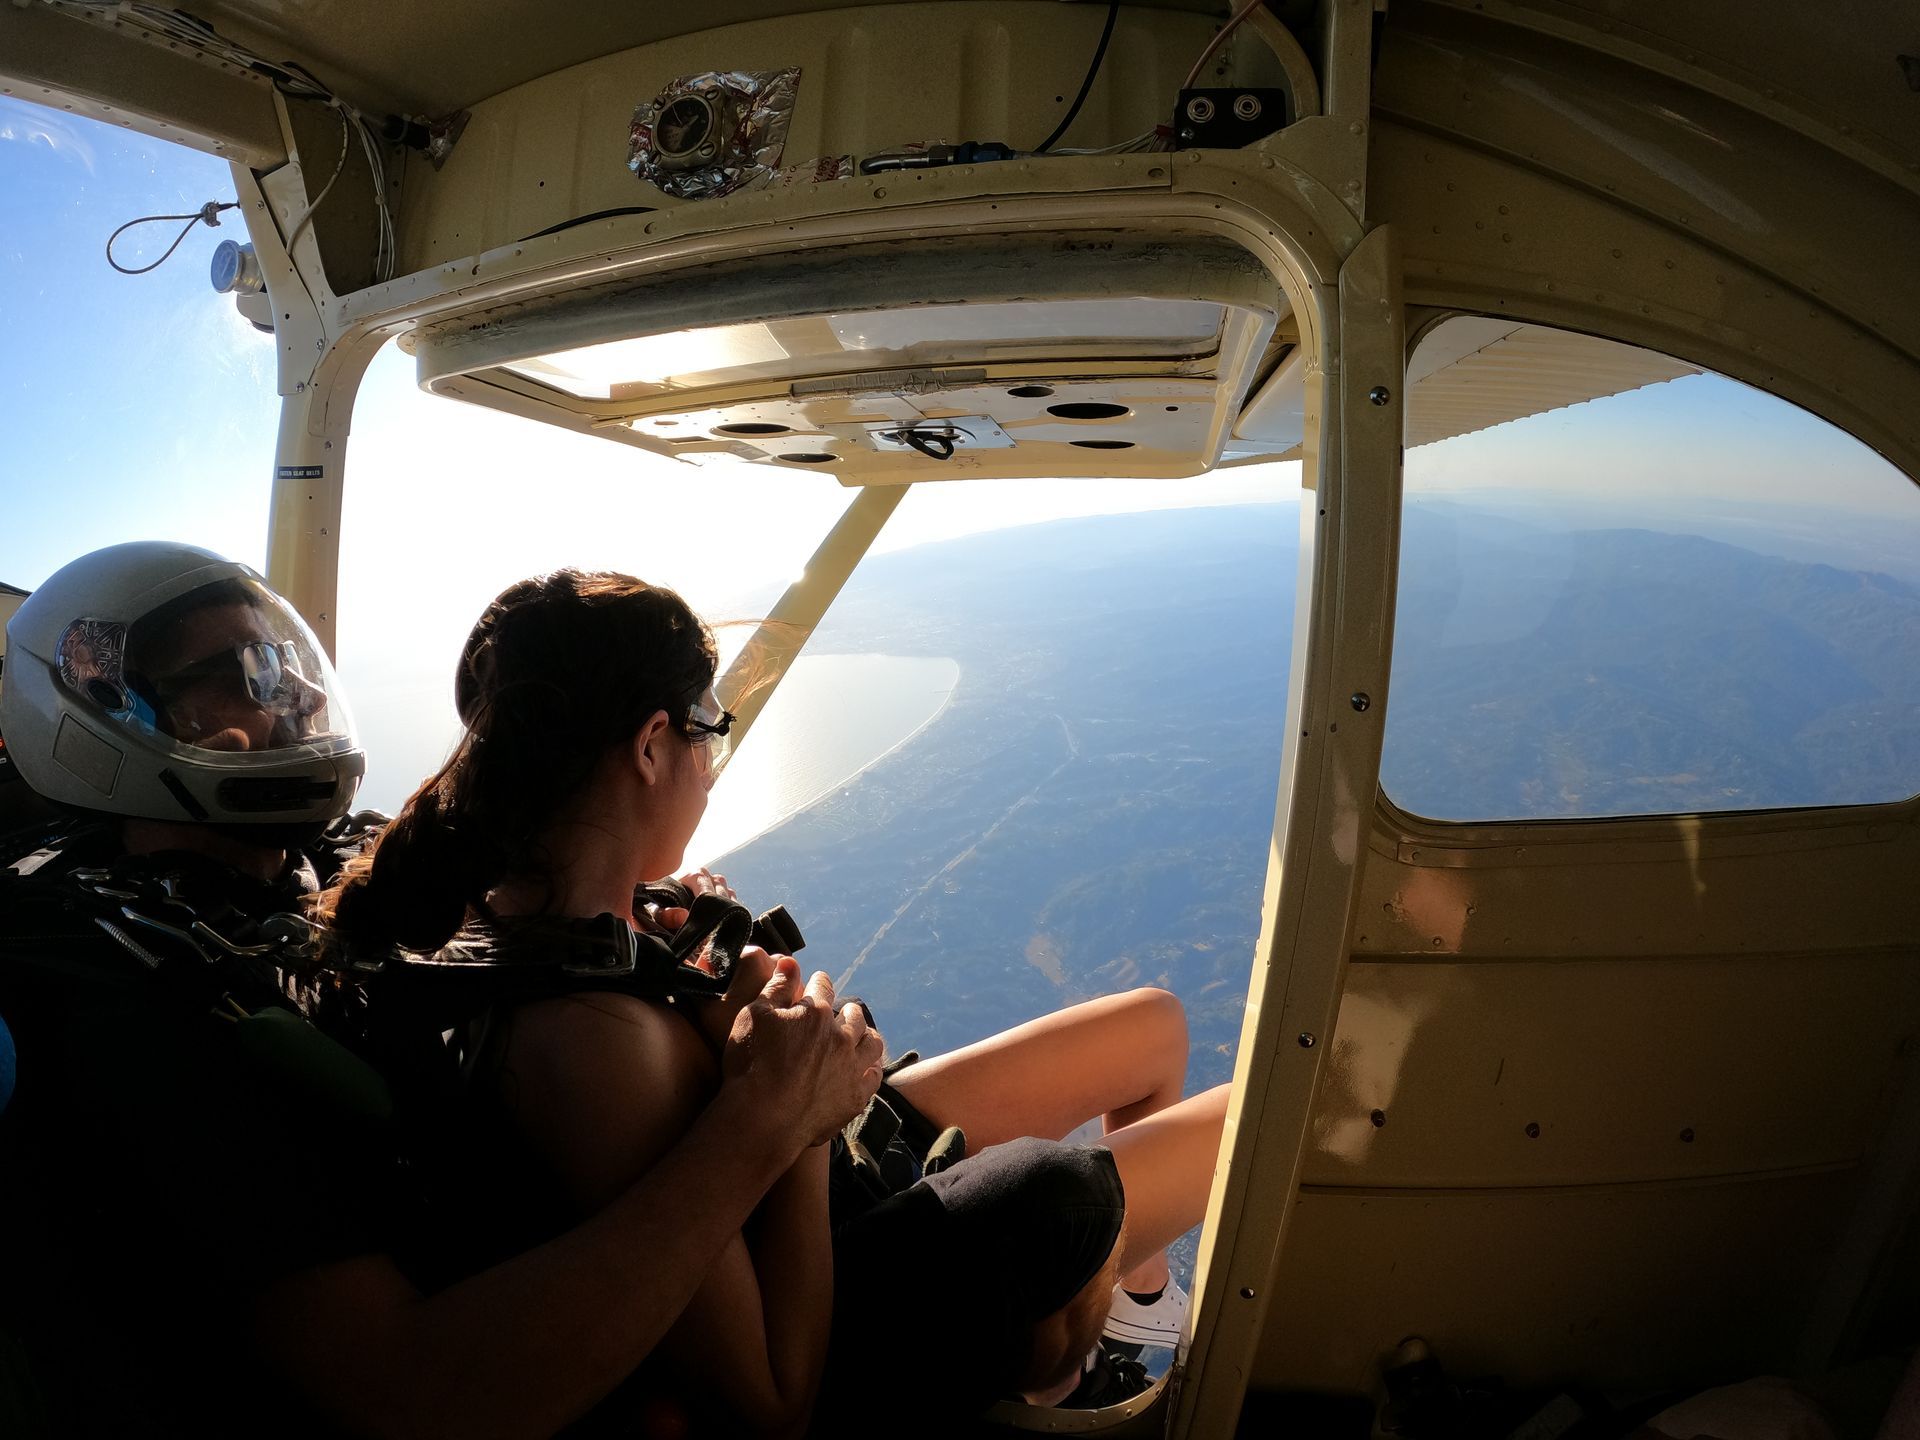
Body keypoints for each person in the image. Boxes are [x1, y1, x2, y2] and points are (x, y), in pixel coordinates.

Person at [315, 568, 1232, 1435]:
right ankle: (1066, 1363)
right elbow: (772, 1402)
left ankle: (1132, 1316)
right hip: (831, 1247)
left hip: (838, 1164)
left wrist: (669, 932)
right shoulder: (593, 1047)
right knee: (1233, 1124)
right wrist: (803, 1111)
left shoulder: (532, 916)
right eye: (706, 727)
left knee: (1153, 1025)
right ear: (647, 744)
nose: (713, 761)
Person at [0, 542, 884, 1437]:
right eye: (249, 671)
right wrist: (772, 1122)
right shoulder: (136, 1005)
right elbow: (416, 1394)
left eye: (286, 657)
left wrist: (657, 925)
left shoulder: (309, 869)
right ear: (119, 719)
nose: (299, 693)